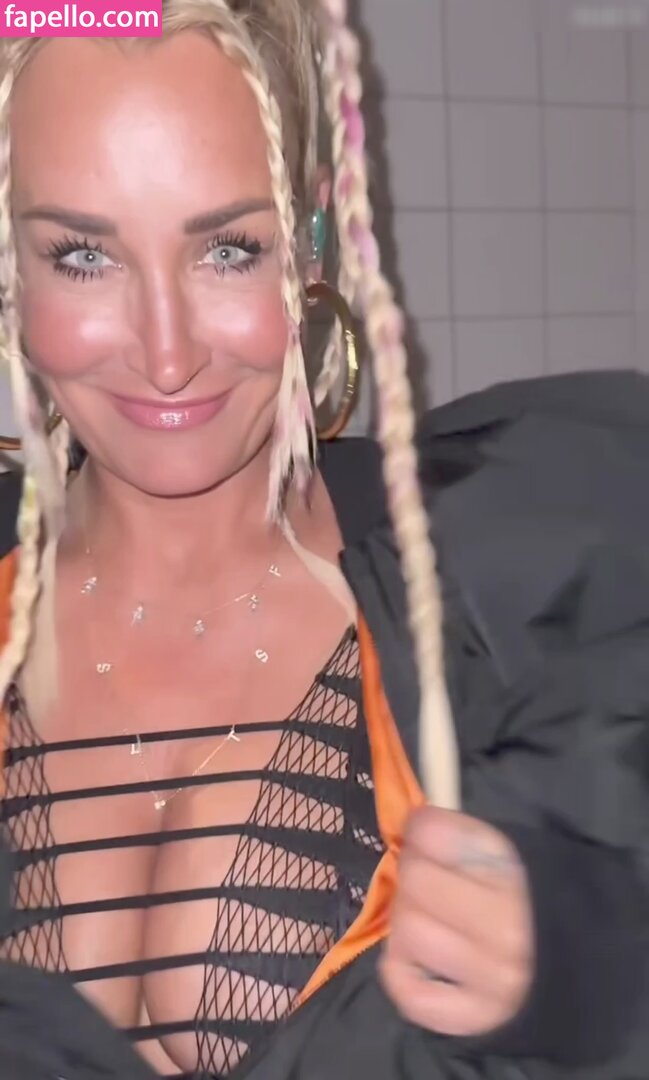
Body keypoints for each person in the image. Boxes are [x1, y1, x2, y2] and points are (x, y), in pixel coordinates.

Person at [0, 3, 645, 1080]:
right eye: (82, 256)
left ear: (306, 240)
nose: (166, 354)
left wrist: (579, 972)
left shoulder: (523, 592)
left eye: (226, 249)